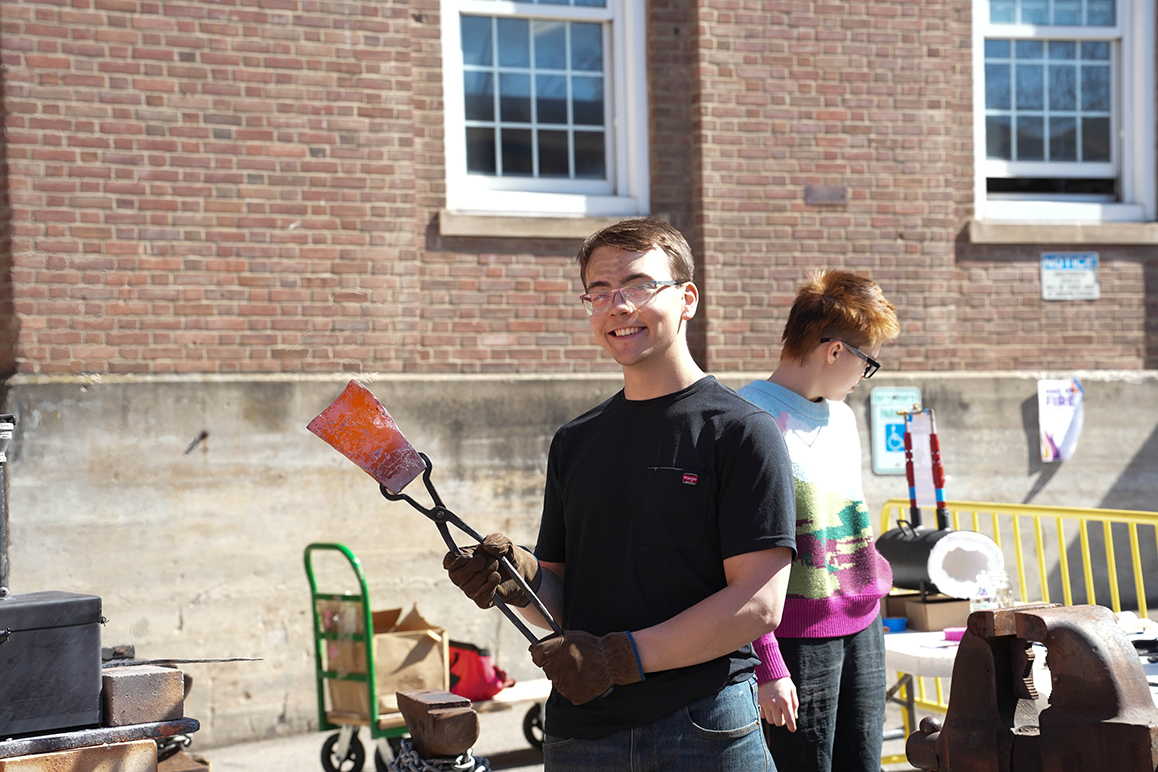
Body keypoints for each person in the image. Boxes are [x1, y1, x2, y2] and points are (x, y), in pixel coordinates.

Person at [443, 217, 797, 771]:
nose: (618, 305)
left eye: (637, 286)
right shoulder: (575, 441)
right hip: (582, 733)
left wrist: (619, 657)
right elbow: (561, 603)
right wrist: (521, 581)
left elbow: (757, 604)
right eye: (599, 292)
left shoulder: (741, 431)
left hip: (706, 727)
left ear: (687, 299)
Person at [736, 269, 900, 772]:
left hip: (863, 626)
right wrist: (767, 664)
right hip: (794, 638)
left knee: (864, 762)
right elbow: (737, 556)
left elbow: (849, 519)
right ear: (835, 352)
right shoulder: (746, 418)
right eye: (867, 362)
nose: (863, 377)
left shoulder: (842, 418)